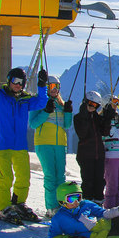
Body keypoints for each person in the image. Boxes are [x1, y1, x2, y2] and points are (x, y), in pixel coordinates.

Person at [0, 56, 48, 222]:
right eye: (15, 81)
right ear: (9, 81)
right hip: (2, 145)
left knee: (24, 177)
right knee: (6, 177)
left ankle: (18, 203)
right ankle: (3, 207)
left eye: (21, 82)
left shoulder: (24, 100)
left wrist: (42, 85)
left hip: (20, 146)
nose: (18, 85)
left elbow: (41, 102)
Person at [29, 74, 72, 218]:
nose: (55, 90)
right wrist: (45, 111)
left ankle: (61, 205)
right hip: (44, 143)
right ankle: (51, 207)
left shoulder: (60, 104)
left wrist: (68, 111)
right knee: (50, 176)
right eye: (52, 86)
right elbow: (33, 123)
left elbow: (67, 125)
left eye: (57, 87)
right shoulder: (39, 102)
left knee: (60, 176)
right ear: (46, 87)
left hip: (60, 143)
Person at [74, 90, 113, 205]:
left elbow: (105, 132)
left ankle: (98, 204)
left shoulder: (96, 117)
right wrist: (85, 116)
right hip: (85, 155)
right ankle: (87, 205)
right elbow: (82, 133)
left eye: (95, 105)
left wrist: (107, 118)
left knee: (100, 182)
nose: (92, 107)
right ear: (85, 102)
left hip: (99, 155)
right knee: (88, 181)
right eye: (90, 104)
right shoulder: (78, 117)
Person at [101, 94, 119, 209]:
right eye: (113, 102)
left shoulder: (117, 117)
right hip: (111, 154)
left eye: (117, 102)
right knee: (112, 184)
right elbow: (106, 132)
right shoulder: (104, 117)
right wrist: (109, 117)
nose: (116, 105)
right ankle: (110, 208)